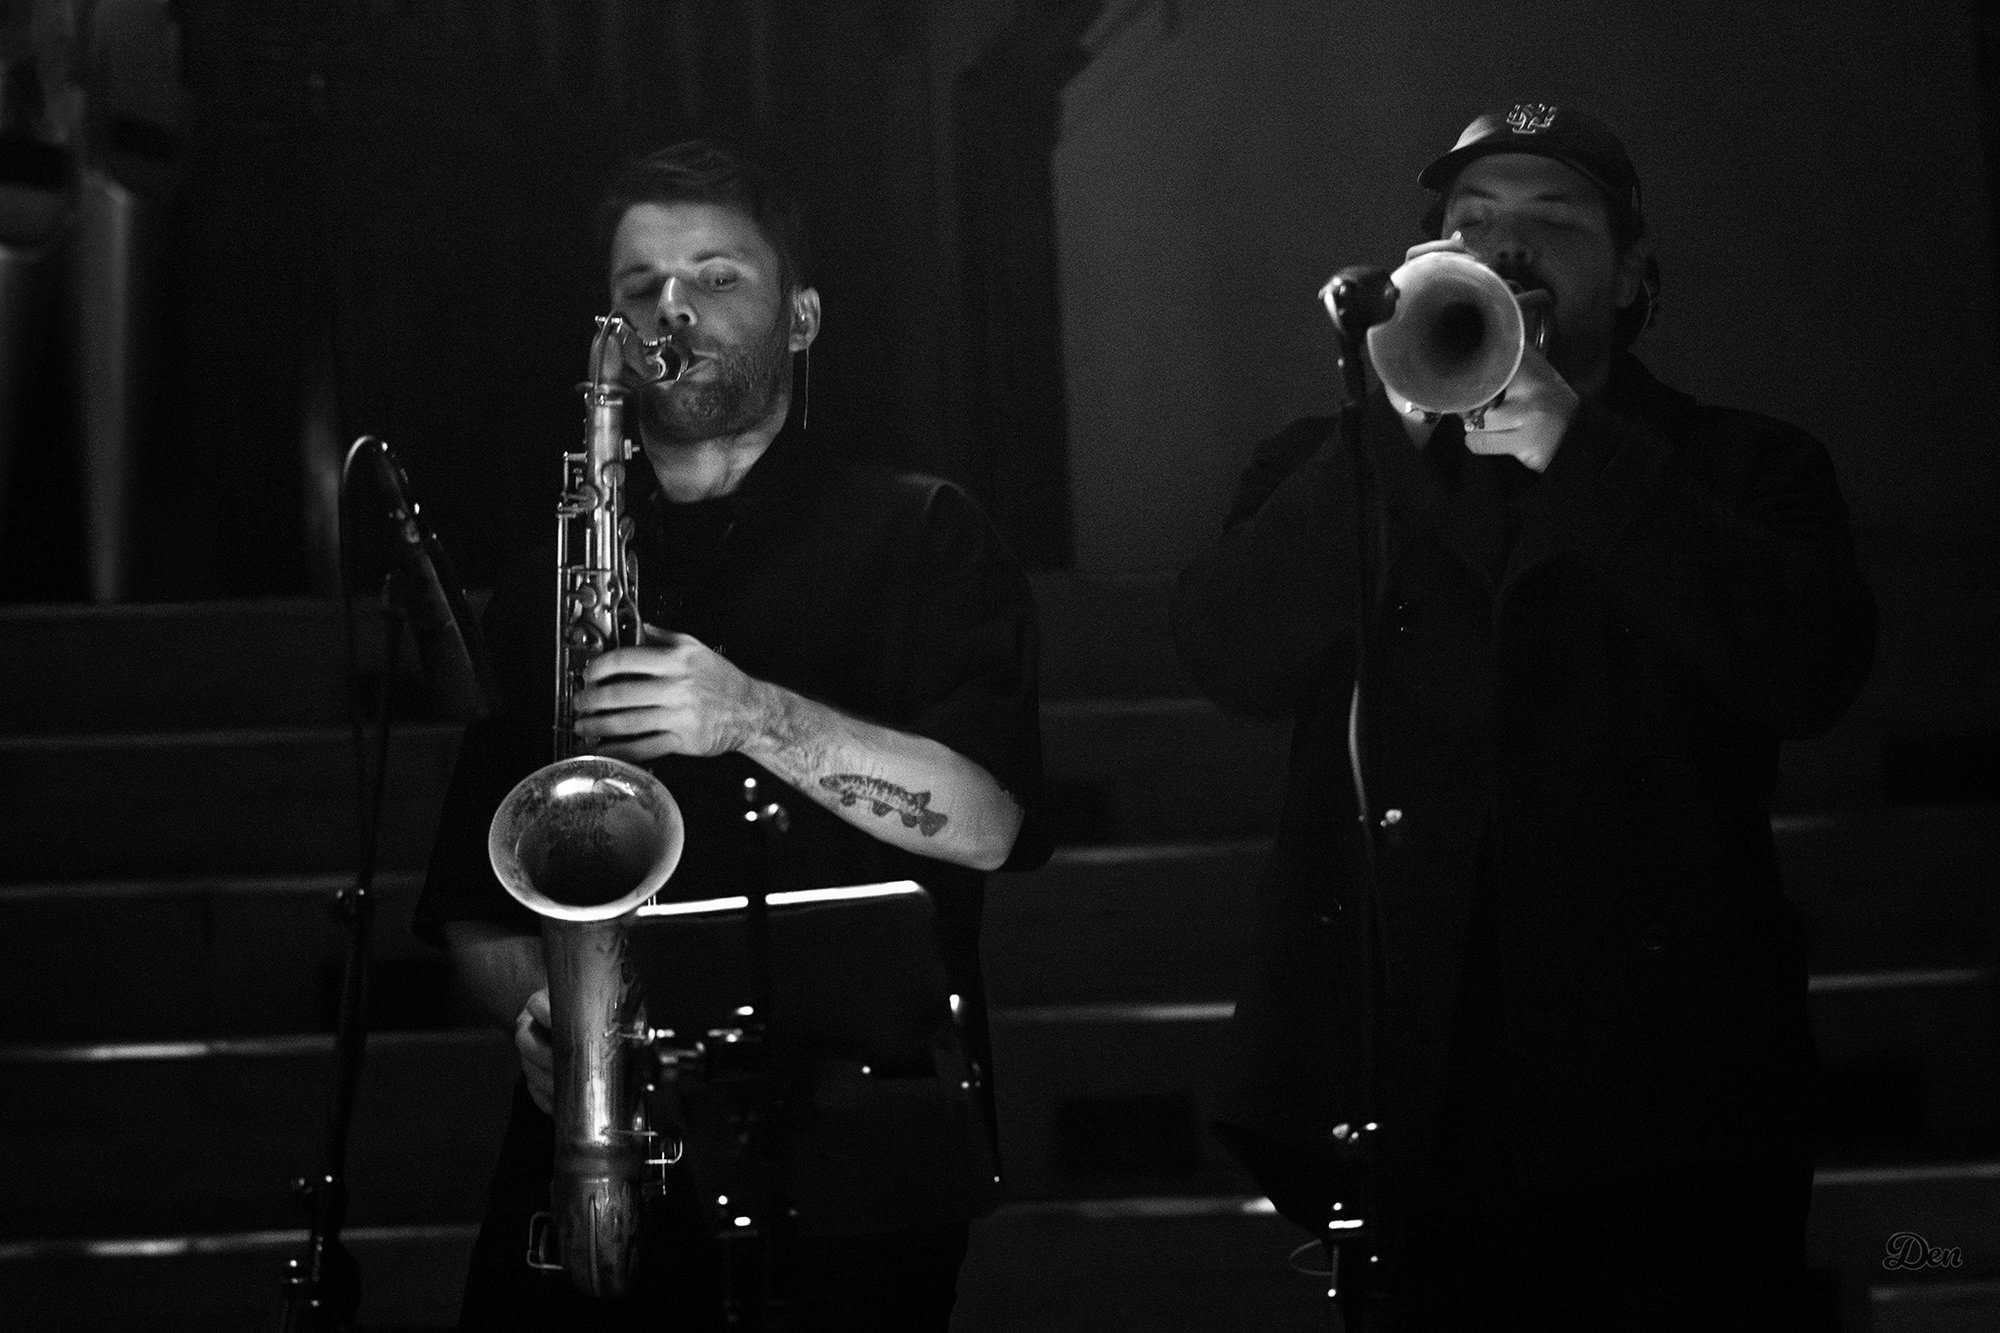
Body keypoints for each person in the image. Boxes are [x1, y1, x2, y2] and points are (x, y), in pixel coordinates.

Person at [1172, 102, 1875, 1329]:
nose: (1505, 246)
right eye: (1470, 221)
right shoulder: (1326, 463)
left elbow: (1807, 671)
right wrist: (1387, 425)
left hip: (1669, 1092)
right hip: (1409, 1085)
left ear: (1634, 272)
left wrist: (1575, 445)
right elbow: (1230, 654)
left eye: (1553, 220)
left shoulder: (1746, 466)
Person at [415, 139, 1048, 1329]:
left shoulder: (923, 533)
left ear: (800, 318)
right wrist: (539, 1013)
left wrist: (750, 714)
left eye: (716, 277)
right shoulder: (553, 572)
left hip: (851, 1157)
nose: (673, 309)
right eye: (640, 285)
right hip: (598, 1145)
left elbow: (988, 825)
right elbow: (475, 899)